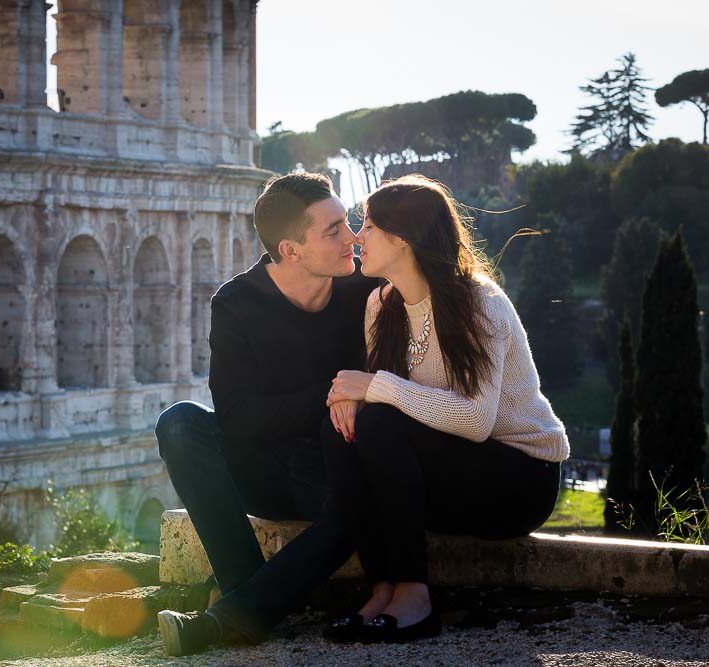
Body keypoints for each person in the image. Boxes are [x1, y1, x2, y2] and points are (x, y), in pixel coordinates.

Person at [321, 174, 570, 643]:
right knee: (342, 428)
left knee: (373, 416)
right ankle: (383, 587)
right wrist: (357, 398)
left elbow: (476, 422)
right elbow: (391, 405)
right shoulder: (381, 305)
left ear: (403, 239)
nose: (357, 237)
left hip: (517, 478)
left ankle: (416, 597)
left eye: (368, 226)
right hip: (445, 476)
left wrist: (375, 386)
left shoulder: (479, 303)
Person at [154, 172, 378, 656]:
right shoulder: (237, 303)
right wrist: (332, 393)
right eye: (334, 230)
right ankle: (250, 591)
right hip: (262, 469)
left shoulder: (368, 289)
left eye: (349, 222)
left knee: (365, 499)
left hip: (332, 471)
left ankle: (243, 612)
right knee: (179, 422)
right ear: (290, 250)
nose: (352, 237)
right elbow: (237, 418)